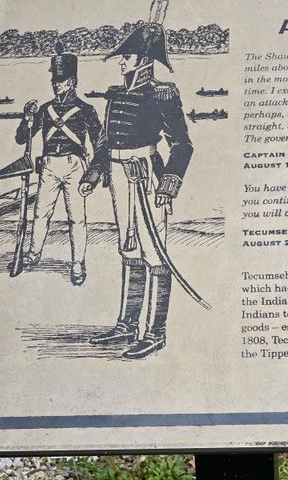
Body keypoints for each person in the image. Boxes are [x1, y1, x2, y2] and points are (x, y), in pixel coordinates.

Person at [79, 21, 193, 359]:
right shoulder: (114, 96)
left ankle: (155, 332)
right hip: (116, 175)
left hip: (146, 178)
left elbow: (182, 144)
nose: (120, 62)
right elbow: (104, 142)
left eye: (126, 57)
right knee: (129, 250)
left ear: (143, 61)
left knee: (155, 254)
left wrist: (170, 182)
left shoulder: (162, 94)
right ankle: (127, 325)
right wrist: (95, 171)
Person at [16, 42, 103, 285]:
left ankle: (77, 262)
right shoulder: (45, 110)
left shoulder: (86, 110)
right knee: (41, 214)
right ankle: (34, 253)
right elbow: (22, 138)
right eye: (55, 79)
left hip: (74, 166)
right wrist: (27, 118)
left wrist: (94, 174)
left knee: (77, 218)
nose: (56, 84)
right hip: (49, 166)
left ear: (72, 82)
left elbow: (100, 143)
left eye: (61, 80)